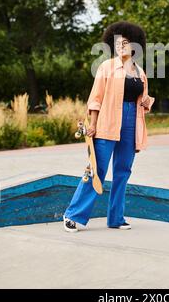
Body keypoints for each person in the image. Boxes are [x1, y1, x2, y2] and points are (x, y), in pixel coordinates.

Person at [63, 21, 155, 232]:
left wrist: (146, 101)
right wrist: (93, 124)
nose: (121, 46)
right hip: (107, 121)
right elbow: (96, 98)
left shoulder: (140, 73)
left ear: (135, 45)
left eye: (125, 42)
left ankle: (116, 218)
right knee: (97, 170)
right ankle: (72, 215)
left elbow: (141, 99)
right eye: (117, 43)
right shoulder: (106, 67)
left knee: (123, 170)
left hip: (132, 122)